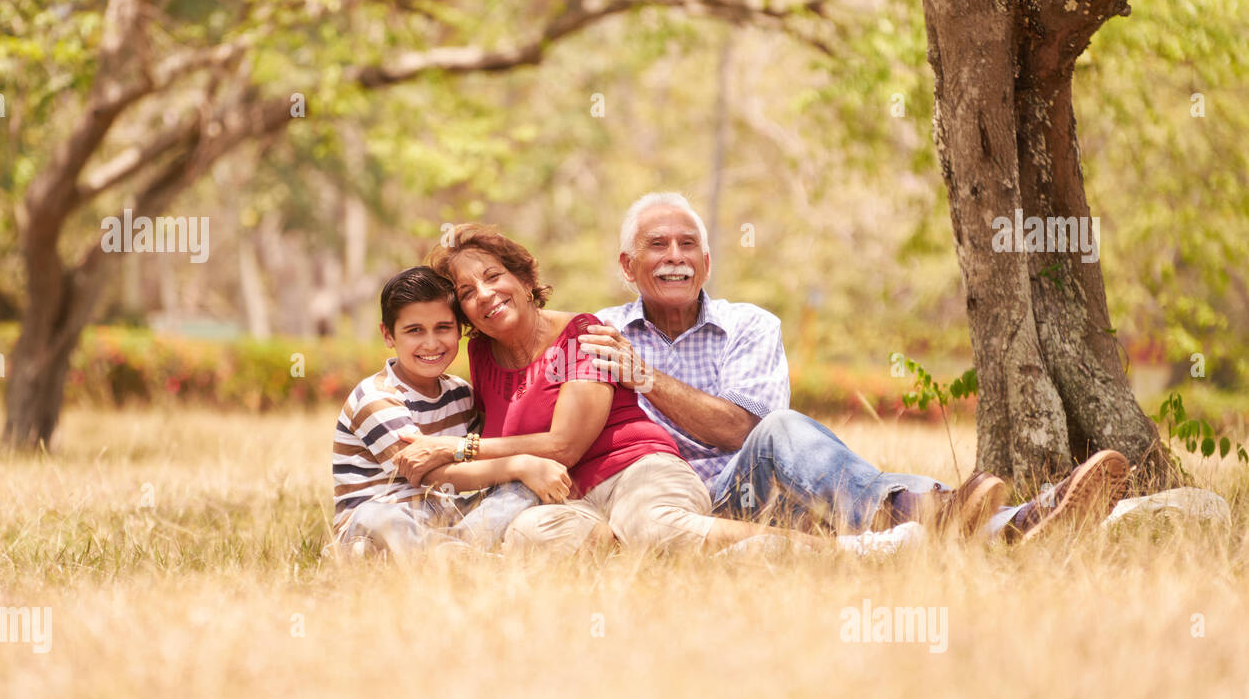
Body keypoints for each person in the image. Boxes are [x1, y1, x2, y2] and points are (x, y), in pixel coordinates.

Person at [579, 192, 1129, 540]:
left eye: (688, 244)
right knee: (865, 500)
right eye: (657, 245)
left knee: (792, 441)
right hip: (675, 506)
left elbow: (743, 430)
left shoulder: (750, 325)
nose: (675, 255)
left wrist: (645, 377)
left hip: (763, 493)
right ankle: (992, 518)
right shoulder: (598, 334)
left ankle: (1018, 521)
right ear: (628, 266)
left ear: (706, 261)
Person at [396, 224, 920, 555]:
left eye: (493, 276)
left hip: (636, 472)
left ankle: (852, 552)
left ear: (526, 278)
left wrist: (455, 447)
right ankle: (718, 555)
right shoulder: (483, 356)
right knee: (528, 538)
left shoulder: (583, 335)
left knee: (655, 525)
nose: (485, 295)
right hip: (573, 497)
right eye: (467, 292)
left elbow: (563, 446)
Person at [331, 267, 570, 557]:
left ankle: (454, 552)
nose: (431, 343)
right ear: (388, 335)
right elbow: (430, 473)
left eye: (443, 328)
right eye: (414, 330)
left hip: (447, 520)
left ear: (459, 329)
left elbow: (478, 456)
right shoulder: (375, 397)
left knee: (523, 489)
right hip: (384, 521)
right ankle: (466, 557)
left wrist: (524, 470)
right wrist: (519, 464)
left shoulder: (460, 393)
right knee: (377, 518)